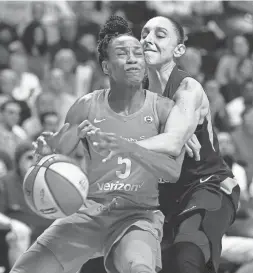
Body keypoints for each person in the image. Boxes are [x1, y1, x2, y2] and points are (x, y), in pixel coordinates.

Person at [10, 16, 185, 273]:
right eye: (123, 53)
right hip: (89, 210)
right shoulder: (86, 105)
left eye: (138, 52)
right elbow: (59, 150)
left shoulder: (164, 109)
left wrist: (129, 147)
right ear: (106, 66)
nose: (133, 59)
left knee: (140, 269)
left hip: (137, 215)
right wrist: (45, 154)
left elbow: (172, 172)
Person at [88, 16, 240, 273]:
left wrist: (125, 143)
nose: (148, 39)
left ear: (178, 50)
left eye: (160, 35)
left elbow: (171, 142)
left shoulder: (187, 87)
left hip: (206, 186)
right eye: (144, 33)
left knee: (188, 255)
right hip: (162, 198)